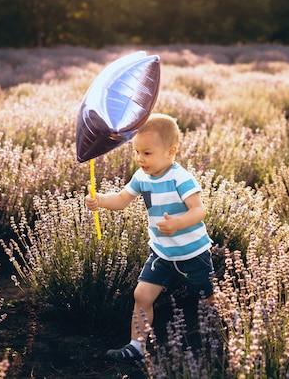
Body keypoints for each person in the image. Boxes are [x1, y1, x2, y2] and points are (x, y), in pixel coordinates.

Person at [85, 113, 214, 366]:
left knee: (207, 298)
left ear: (170, 151)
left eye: (147, 153)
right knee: (142, 295)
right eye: (136, 152)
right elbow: (122, 200)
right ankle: (137, 345)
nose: (140, 159)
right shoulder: (142, 177)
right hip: (161, 254)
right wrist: (99, 200)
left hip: (193, 254)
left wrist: (177, 222)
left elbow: (199, 210)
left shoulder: (181, 178)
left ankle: (228, 328)